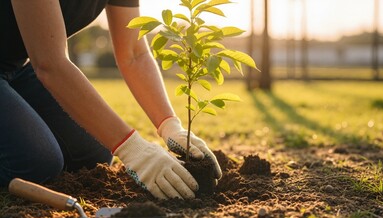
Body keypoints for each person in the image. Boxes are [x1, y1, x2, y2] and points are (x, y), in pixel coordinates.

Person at [0, 0, 222, 200]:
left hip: (16, 67)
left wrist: (169, 124)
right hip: (33, 63)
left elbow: (134, 53)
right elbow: (50, 64)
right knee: (35, 163)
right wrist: (133, 148)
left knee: (94, 153)